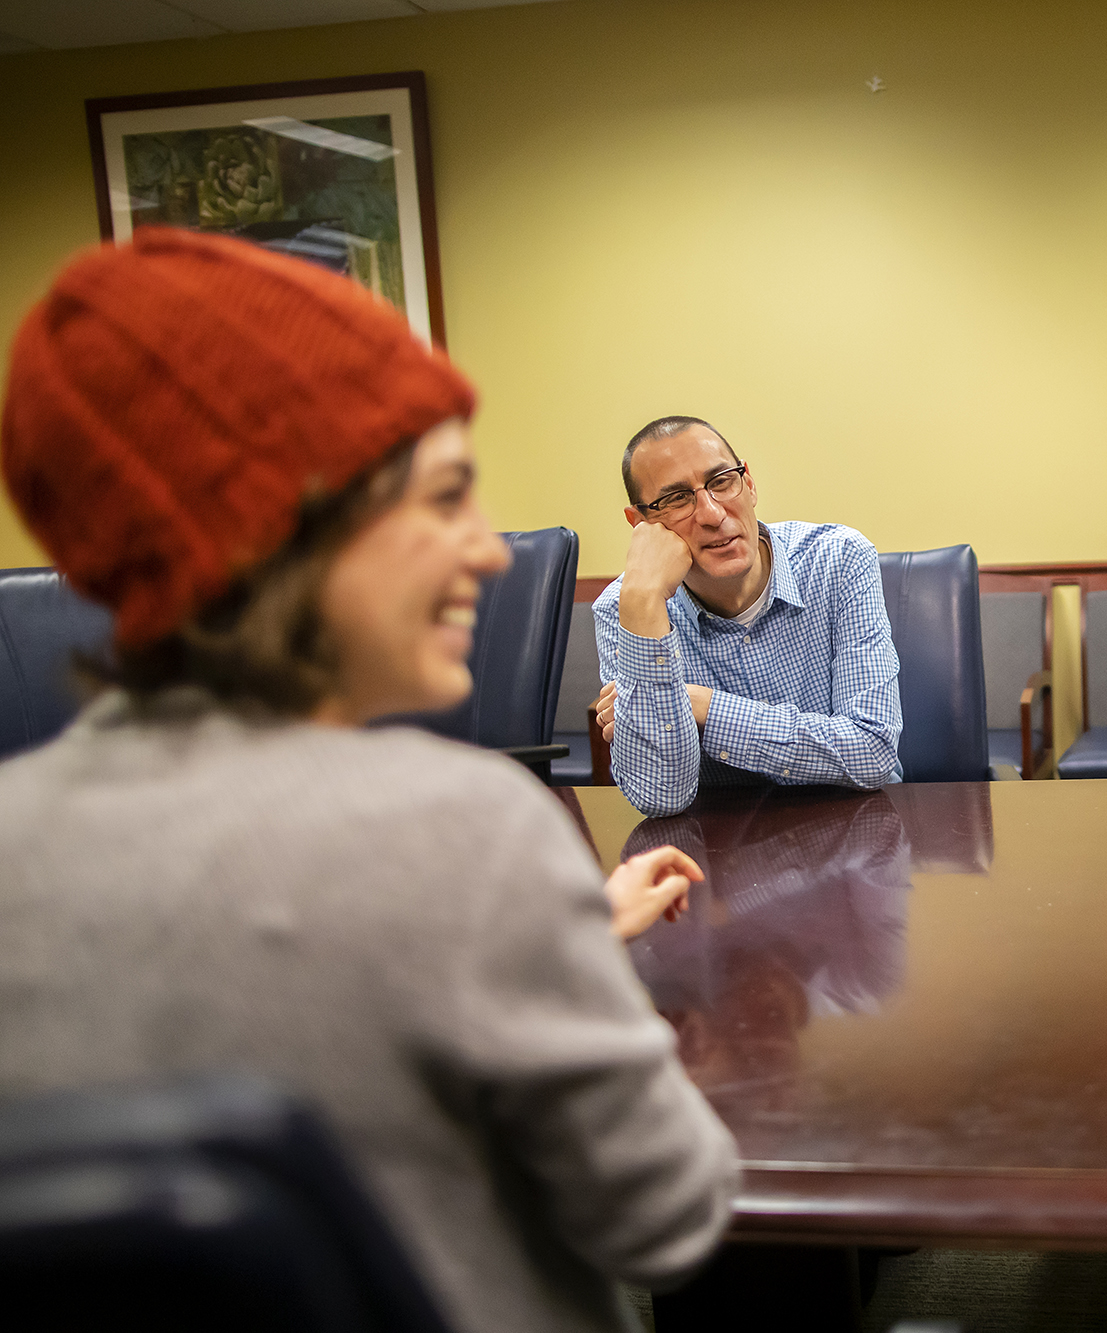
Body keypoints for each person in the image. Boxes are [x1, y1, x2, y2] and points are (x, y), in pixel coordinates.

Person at [0, 230, 738, 1333]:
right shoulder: (469, 834)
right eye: (442, 499)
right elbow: (667, 1221)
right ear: (288, 527)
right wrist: (528, 932)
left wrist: (554, 932)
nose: (486, 553)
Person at [590, 416, 902, 816]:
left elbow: (871, 751)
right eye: (677, 499)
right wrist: (645, 603)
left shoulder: (838, 560)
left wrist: (700, 704)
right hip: (719, 850)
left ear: (749, 483)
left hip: (857, 831)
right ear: (643, 525)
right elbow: (660, 797)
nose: (712, 513)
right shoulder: (625, 609)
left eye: (721, 481)